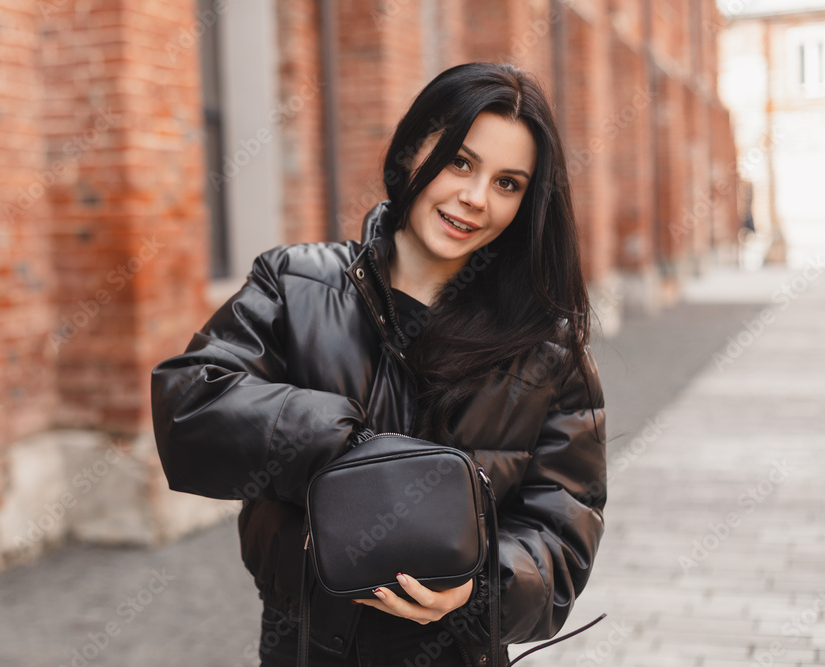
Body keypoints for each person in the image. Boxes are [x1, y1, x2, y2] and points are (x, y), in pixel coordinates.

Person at [151, 62, 606, 666]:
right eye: (460, 161)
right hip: (306, 649)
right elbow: (189, 407)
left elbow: (563, 536)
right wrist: (345, 447)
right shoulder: (296, 283)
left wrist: (477, 590)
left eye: (508, 183)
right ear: (413, 150)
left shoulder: (547, 348)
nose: (474, 198)